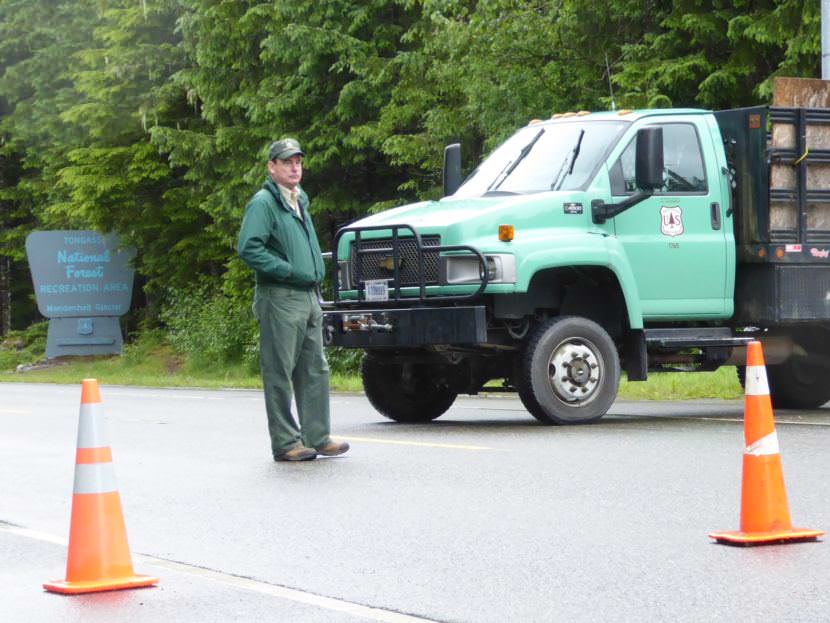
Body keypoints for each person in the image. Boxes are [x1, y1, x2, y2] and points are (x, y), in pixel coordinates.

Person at [237, 138, 349, 462]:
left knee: (315, 368)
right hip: (281, 296)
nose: (294, 166)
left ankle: (318, 435)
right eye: (286, 162)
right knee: (279, 370)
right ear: (272, 167)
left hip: (309, 295)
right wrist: (286, 270)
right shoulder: (263, 203)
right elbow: (249, 247)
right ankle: (286, 442)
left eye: (297, 161)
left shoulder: (299, 199)